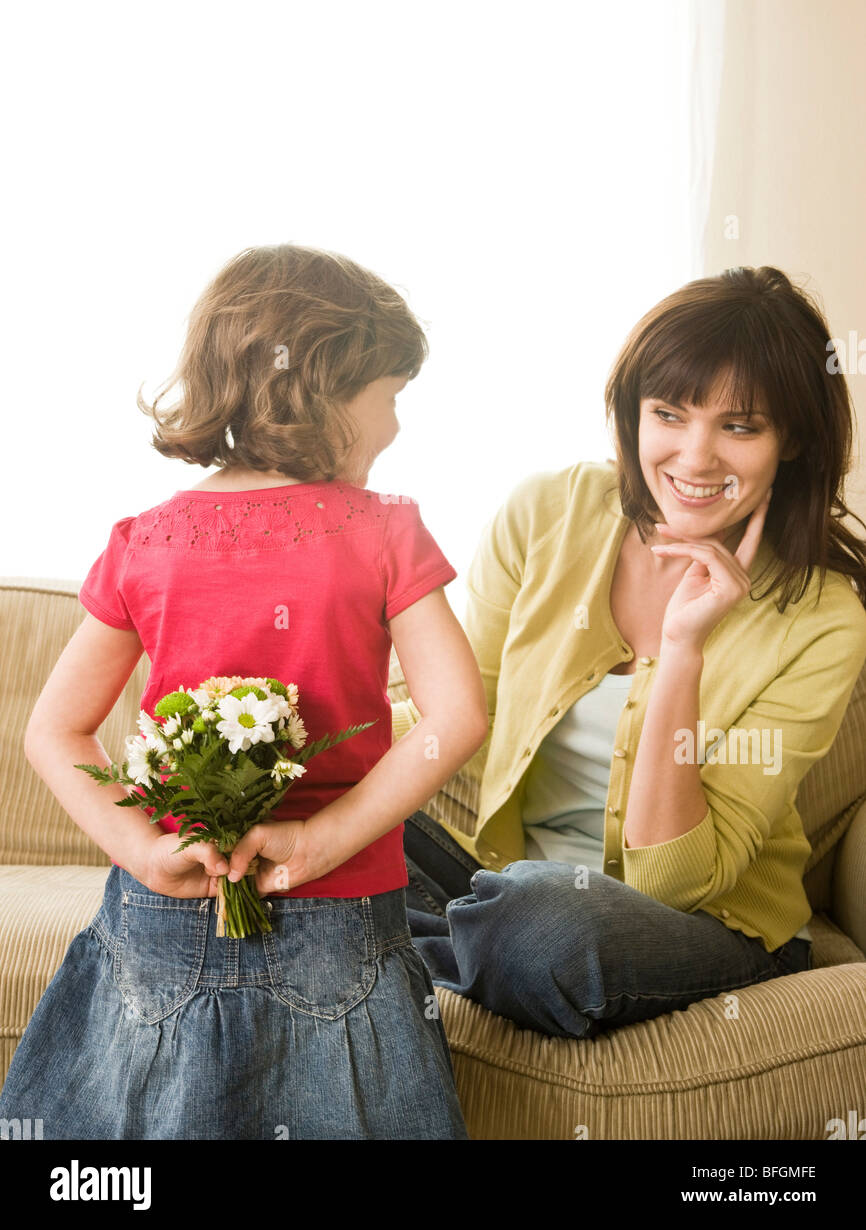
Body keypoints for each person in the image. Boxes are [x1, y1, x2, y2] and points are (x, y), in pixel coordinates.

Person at [0, 243, 488, 1139]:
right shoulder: (385, 533)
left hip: (163, 903)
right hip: (341, 919)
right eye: (391, 396)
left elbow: (55, 732)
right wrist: (320, 837)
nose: (395, 426)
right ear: (327, 389)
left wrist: (143, 849)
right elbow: (456, 717)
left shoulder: (144, 541)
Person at [399, 265, 866, 1040]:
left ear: (793, 442)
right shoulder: (549, 509)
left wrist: (683, 651)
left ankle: (406, 949)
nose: (695, 456)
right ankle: (443, 946)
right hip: (500, 884)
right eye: (670, 414)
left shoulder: (823, 617)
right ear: (633, 414)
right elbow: (454, 718)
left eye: (740, 426)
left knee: (541, 926)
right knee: (330, 838)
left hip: (694, 926)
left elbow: (671, 878)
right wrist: (297, 764)